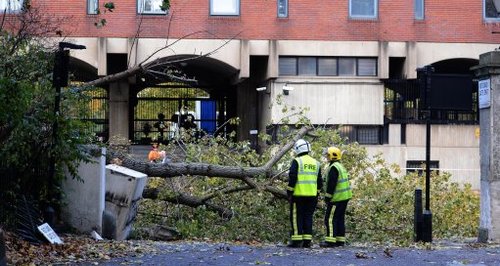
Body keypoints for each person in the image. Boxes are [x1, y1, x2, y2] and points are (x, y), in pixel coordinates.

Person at [287, 139, 322, 248]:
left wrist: (289, 191)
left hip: (298, 195)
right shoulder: (316, 163)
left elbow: (292, 177)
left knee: (296, 217)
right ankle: (307, 240)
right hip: (312, 196)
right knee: (308, 217)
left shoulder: (297, 161)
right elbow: (320, 181)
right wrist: (317, 193)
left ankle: (297, 240)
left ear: (297, 149)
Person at [320, 147, 352, 248]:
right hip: (344, 197)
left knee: (329, 219)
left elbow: (331, 184)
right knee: (339, 218)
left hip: (337, 198)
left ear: (332, 156)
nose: (326, 157)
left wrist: (327, 197)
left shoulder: (334, 167)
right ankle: (340, 240)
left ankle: (330, 240)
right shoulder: (340, 166)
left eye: (328, 155)